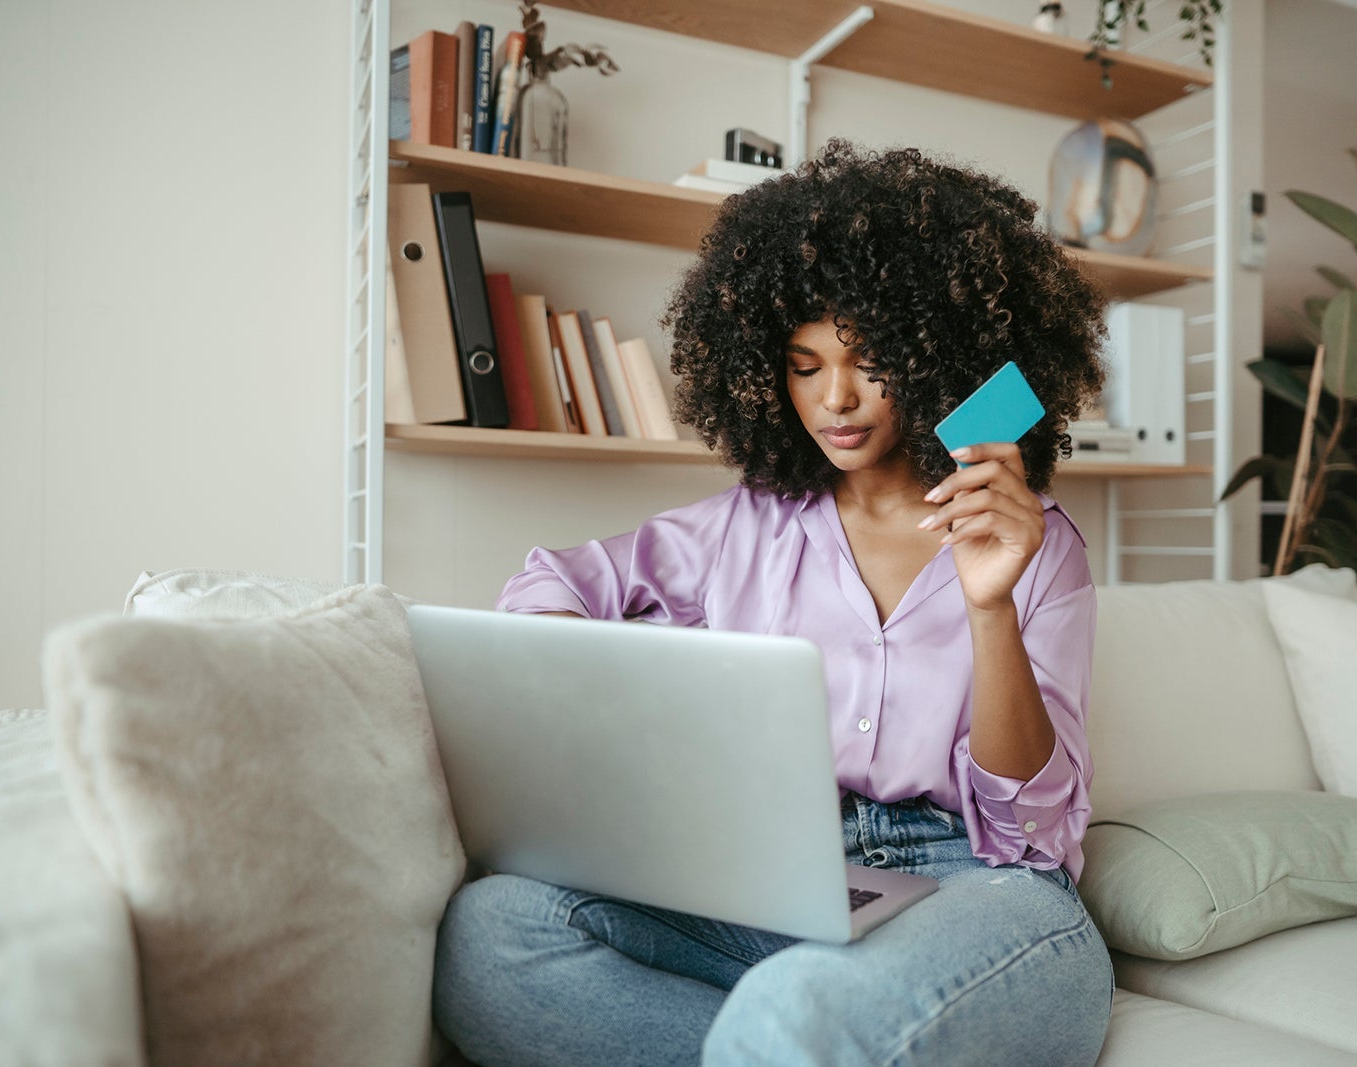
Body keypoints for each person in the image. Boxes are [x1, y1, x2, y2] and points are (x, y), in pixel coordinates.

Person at [432, 140, 1114, 1067]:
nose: (835, 397)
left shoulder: (1037, 544)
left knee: (798, 1008)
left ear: (934, 352)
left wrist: (990, 604)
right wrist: (603, 677)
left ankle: (794, 1036)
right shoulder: (743, 529)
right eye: (802, 365)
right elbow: (551, 581)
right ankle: (791, 1044)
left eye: (868, 359)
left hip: (980, 893)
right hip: (782, 887)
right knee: (492, 928)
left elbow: (1033, 835)